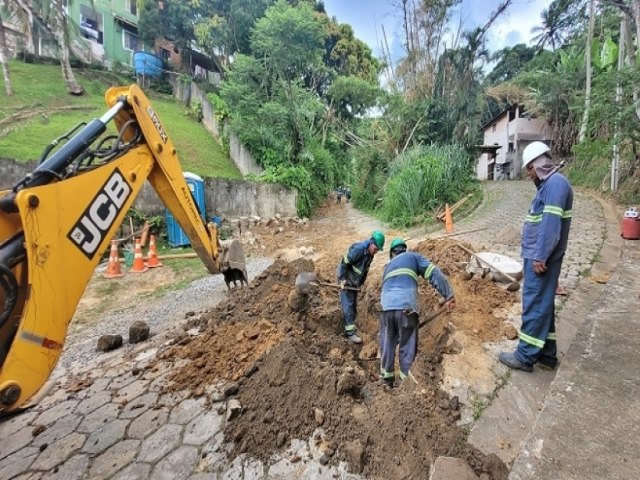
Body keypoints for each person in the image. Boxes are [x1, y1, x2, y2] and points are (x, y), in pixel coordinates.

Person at [499, 141, 573, 372]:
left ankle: (525, 357)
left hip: (541, 260)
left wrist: (540, 257)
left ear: (539, 164)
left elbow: (551, 225)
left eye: (529, 169)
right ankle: (546, 355)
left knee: (534, 305)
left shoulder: (555, 185)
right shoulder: (550, 186)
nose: (529, 174)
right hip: (538, 257)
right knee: (543, 304)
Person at [379, 238, 456, 387]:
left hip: (386, 309)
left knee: (387, 343)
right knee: (407, 344)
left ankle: (386, 380)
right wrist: (449, 295)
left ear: (391, 254)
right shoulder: (413, 257)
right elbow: (434, 273)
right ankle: (405, 384)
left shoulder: (387, 267)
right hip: (406, 309)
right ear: (404, 250)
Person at [337, 230, 385, 343]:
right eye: (376, 248)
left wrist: (361, 284)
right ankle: (350, 334)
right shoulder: (358, 250)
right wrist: (342, 279)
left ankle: (350, 327)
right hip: (345, 277)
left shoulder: (370, 255)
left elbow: (364, 271)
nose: (376, 251)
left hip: (354, 281)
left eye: (378, 250)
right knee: (348, 304)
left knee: (353, 305)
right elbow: (345, 262)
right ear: (371, 243)